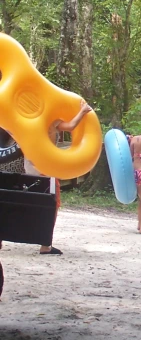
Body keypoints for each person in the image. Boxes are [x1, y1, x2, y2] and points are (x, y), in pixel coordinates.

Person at [20, 100, 94, 255]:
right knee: (52, 205)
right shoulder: (52, 121)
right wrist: (83, 111)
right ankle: (45, 244)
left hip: (30, 166)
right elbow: (71, 126)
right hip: (46, 168)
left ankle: (25, 236)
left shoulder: (27, 119)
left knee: (31, 203)